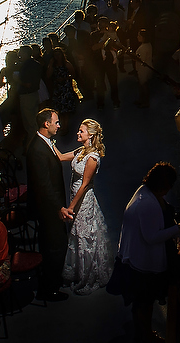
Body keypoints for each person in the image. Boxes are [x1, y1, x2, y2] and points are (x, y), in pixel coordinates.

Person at [117, 162, 180, 343]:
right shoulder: (147, 203)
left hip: (134, 257)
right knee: (144, 302)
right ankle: (145, 336)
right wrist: (178, 229)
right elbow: (151, 237)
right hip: (142, 263)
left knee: (140, 302)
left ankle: (142, 334)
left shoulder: (146, 192)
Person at [57, 119, 114, 295]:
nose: (78, 133)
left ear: (90, 134)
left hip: (83, 201)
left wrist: (70, 207)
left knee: (84, 235)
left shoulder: (92, 157)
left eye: (81, 131)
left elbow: (85, 185)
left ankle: (87, 275)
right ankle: (76, 271)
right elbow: (60, 157)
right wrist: (48, 142)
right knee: (77, 234)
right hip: (75, 196)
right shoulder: (81, 151)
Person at [25, 108, 71, 301]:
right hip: (48, 209)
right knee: (54, 247)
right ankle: (49, 289)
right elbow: (43, 185)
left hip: (52, 205)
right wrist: (59, 207)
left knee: (56, 245)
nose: (59, 125)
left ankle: (53, 281)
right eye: (56, 122)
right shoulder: (37, 150)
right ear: (46, 124)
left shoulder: (45, 143)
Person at [134, 29, 153, 108]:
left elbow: (141, 59)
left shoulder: (144, 48)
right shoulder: (148, 45)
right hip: (144, 68)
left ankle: (145, 101)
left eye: (139, 36)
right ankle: (141, 99)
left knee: (144, 85)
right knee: (141, 85)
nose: (137, 37)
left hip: (143, 69)